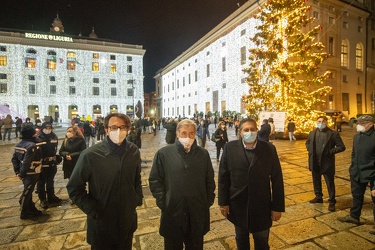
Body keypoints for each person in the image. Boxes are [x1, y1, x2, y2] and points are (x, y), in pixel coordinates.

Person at [67, 113, 143, 249]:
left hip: (126, 220)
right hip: (102, 223)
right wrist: (93, 210)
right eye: (113, 127)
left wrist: (137, 198)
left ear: (128, 129)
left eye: (122, 127)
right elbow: (74, 187)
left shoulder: (134, 151)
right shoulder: (90, 155)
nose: (118, 131)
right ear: (106, 130)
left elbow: (136, 177)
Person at [218, 118, 285, 250]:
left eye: (252, 129)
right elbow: (223, 177)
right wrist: (223, 202)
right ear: (240, 132)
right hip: (238, 204)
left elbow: (277, 179)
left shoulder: (269, 149)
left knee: (261, 240)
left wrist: (277, 207)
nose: (249, 132)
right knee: (241, 239)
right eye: (246, 130)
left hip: (262, 205)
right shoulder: (229, 148)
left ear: (257, 131)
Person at [149, 119, 215, 250]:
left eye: (191, 133)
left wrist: (207, 201)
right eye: (184, 133)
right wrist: (164, 202)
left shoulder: (203, 154)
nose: (187, 137)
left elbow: (209, 180)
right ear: (178, 134)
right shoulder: (164, 154)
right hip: (173, 212)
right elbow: (155, 180)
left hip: (196, 212)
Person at [337, 115, 375, 234]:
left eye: (361, 124)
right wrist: (352, 168)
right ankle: (354, 217)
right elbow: (354, 154)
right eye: (358, 123)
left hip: (372, 173)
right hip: (357, 172)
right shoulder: (357, 137)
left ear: (370, 124)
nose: (358, 126)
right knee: (357, 196)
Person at [306, 116, 346, 212]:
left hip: (326, 162)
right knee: (316, 180)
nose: (320, 123)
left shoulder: (333, 134)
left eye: (322, 121)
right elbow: (307, 143)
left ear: (326, 122)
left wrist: (330, 151)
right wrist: (310, 150)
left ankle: (332, 201)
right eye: (319, 121)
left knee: (329, 182)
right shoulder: (312, 133)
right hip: (314, 161)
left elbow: (341, 147)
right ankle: (318, 196)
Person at [11, 124, 43, 219]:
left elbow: (14, 159)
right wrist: (22, 173)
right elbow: (27, 162)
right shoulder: (31, 146)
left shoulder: (19, 144)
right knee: (27, 192)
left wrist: (17, 171)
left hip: (23, 172)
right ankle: (24, 211)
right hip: (31, 172)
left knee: (28, 190)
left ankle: (31, 208)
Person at [36, 122, 62, 209]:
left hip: (52, 162)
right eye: (46, 128)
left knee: (50, 180)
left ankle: (51, 196)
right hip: (42, 163)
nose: (48, 130)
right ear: (42, 128)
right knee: (41, 181)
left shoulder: (54, 136)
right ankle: (42, 199)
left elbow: (54, 148)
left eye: (49, 128)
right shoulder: (38, 138)